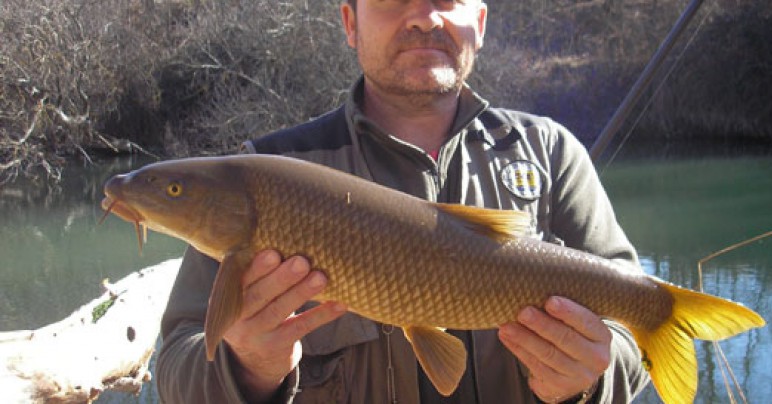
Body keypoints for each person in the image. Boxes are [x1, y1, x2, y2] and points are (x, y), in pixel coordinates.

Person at [156, 0, 651, 402]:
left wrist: (590, 381)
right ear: (350, 22)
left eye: (447, 0)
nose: (424, 16)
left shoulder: (551, 152)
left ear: (478, 24)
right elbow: (176, 364)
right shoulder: (267, 172)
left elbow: (635, 334)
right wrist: (246, 368)